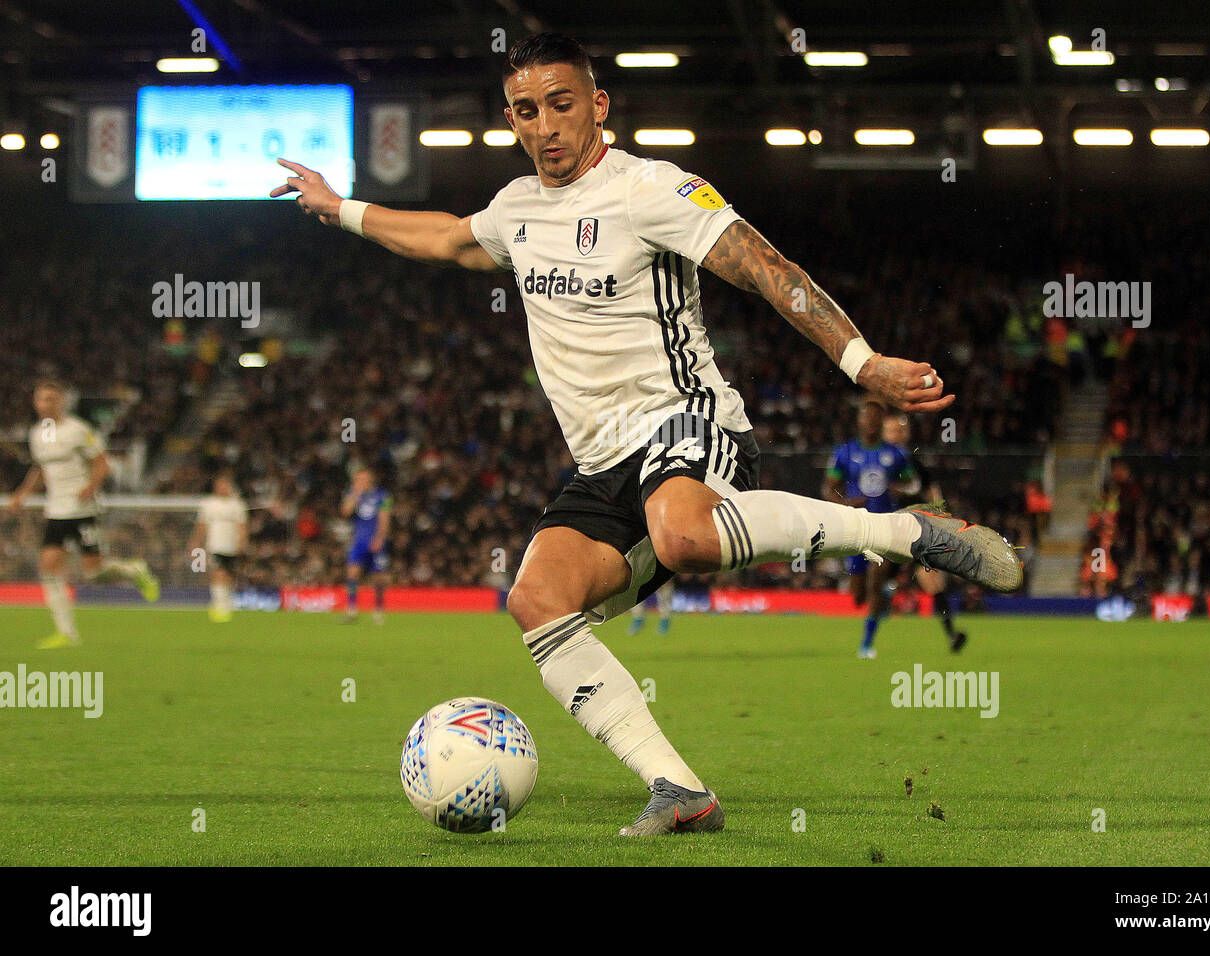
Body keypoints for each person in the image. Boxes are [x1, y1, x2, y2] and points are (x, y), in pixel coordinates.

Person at [273, 33, 1021, 835]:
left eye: (562, 104)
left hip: (689, 420)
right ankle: (679, 788)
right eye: (527, 111)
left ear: (598, 106)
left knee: (684, 535)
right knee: (536, 600)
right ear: (512, 121)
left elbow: (766, 267)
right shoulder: (517, 209)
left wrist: (863, 361)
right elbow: (444, 238)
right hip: (602, 464)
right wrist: (337, 207)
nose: (547, 125)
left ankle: (904, 530)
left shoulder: (651, 189)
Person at [6, 380, 159, 648]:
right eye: (41, 399)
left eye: (51, 399)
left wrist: (90, 487)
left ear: (62, 402)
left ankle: (134, 570)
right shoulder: (37, 434)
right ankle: (66, 633)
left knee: (93, 572)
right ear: (35, 402)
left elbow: (102, 462)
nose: (45, 404)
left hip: (83, 509)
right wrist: (22, 494)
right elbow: (40, 469)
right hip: (57, 510)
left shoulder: (78, 430)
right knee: (49, 568)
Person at [823, 401, 920, 658]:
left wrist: (900, 489)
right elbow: (829, 489)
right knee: (858, 595)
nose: (872, 422)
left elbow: (912, 484)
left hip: (885, 526)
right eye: (868, 417)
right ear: (860, 421)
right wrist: (845, 502)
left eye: (878, 418)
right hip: (855, 528)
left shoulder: (896, 455)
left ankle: (867, 643)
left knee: (877, 580)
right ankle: (881, 598)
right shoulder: (845, 453)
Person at [881, 412, 968, 653]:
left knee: (930, 580)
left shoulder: (912, 461)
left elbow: (930, 488)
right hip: (885, 529)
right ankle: (871, 633)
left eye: (901, 430)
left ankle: (951, 634)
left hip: (914, 529)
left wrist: (940, 512)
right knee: (881, 580)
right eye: (893, 430)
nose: (898, 434)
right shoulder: (877, 461)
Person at [188, 471, 248, 623]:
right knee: (217, 572)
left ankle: (227, 601)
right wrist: (196, 541)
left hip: (231, 545)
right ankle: (219, 603)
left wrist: (242, 542)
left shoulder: (237, 505)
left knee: (229, 574)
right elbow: (202, 525)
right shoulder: (208, 504)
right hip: (215, 544)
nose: (222, 487)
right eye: (220, 485)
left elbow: (242, 526)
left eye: (225, 485)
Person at [340, 468, 392, 624]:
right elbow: (345, 512)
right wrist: (356, 494)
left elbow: (384, 519)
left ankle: (378, 609)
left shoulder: (383, 496)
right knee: (352, 574)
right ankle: (351, 609)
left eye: (362, 479)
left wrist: (380, 538)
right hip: (358, 541)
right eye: (357, 479)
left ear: (370, 479)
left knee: (378, 579)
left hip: (375, 541)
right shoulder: (353, 494)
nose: (358, 482)